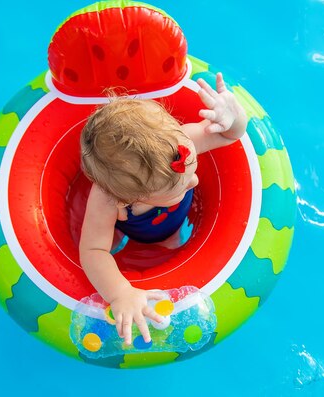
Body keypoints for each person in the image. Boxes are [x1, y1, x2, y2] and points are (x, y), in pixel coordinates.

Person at [79, 73, 247, 345]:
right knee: (115, 243)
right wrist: (121, 292)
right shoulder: (107, 200)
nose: (194, 181)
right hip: (135, 229)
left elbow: (230, 135)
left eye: (191, 173)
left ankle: (173, 245)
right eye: (179, 189)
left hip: (173, 222)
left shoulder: (183, 143)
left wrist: (233, 116)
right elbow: (93, 251)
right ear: (126, 200)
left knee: (174, 244)